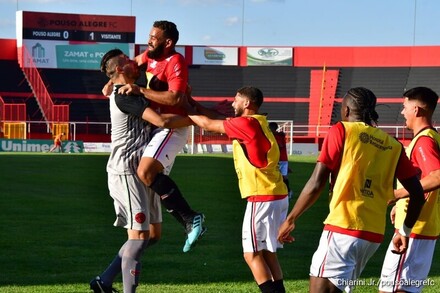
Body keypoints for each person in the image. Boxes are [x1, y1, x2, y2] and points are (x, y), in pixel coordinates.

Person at [277, 87, 426, 293]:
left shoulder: (341, 130)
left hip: (343, 228)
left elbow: (316, 182)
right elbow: (418, 195)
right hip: (372, 235)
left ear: (346, 110)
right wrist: (405, 231)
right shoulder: (393, 145)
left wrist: (290, 218)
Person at [90, 49, 192, 293]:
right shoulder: (125, 96)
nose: (136, 63)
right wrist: (196, 119)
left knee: (152, 235)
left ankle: (104, 281)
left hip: (142, 171)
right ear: (121, 70)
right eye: (129, 62)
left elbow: (120, 72)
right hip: (126, 170)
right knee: (138, 238)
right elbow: (162, 122)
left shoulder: (127, 89)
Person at [105, 20, 206, 253]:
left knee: (145, 171)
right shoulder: (150, 55)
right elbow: (123, 68)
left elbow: (175, 100)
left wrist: (139, 89)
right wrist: (110, 81)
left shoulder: (175, 61)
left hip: (171, 125)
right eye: (149, 36)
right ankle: (189, 220)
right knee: (152, 226)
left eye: (154, 37)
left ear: (168, 42)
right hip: (159, 128)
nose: (149, 40)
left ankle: (191, 218)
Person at [185, 86, 288, 293]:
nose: (233, 103)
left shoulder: (245, 124)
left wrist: (182, 109)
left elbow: (207, 123)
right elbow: (215, 117)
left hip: (262, 197)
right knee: (268, 251)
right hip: (277, 194)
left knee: (250, 254)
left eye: (236, 100)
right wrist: (192, 102)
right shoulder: (259, 121)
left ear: (247, 104)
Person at [379, 87, 440, 293]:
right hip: (422, 228)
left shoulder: (424, 141)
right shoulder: (431, 137)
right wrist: (400, 203)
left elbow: (437, 177)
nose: (402, 112)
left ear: (416, 110)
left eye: (404, 107)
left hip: (414, 229)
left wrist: (398, 194)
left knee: (393, 289)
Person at [269, 122, 292, 199]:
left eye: (270, 128)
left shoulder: (277, 136)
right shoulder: (278, 135)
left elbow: (280, 146)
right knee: (277, 176)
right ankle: (280, 192)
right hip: (278, 159)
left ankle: (288, 191)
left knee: (283, 177)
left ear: (273, 128)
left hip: (281, 159)